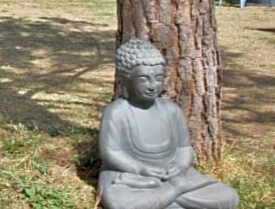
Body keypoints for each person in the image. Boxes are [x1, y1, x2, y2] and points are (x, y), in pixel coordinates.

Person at [97, 38, 239, 209]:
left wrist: (180, 165)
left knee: (228, 197)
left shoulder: (171, 110)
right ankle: (174, 194)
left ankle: (166, 198)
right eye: (144, 79)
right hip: (132, 177)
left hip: (173, 174)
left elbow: (184, 148)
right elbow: (110, 152)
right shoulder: (117, 111)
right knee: (120, 203)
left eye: (158, 78)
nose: (152, 86)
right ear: (127, 80)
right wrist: (141, 169)